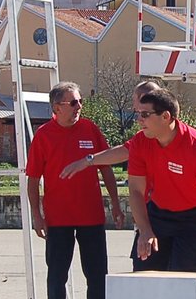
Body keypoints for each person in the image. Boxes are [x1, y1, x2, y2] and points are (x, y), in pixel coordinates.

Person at [24, 82, 124, 299]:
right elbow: (32, 180)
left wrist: (115, 204)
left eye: (80, 101)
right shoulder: (43, 136)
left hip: (91, 216)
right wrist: (37, 215)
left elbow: (106, 170)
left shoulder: (90, 129)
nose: (79, 106)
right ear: (56, 108)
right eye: (73, 102)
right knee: (57, 277)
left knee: (97, 276)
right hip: (57, 220)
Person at [124, 87, 196, 274]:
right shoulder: (140, 142)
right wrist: (145, 231)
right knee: (145, 278)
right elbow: (136, 191)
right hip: (158, 216)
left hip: (194, 221)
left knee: (185, 285)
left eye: (145, 114)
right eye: (137, 113)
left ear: (166, 117)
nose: (139, 120)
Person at [59, 79, 165, 270]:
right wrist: (88, 160)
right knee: (145, 275)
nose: (138, 117)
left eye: (141, 112)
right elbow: (122, 152)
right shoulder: (143, 138)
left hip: (170, 216)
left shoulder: (174, 136)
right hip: (148, 213)